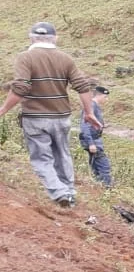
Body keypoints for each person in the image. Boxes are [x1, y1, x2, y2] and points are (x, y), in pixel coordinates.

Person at [0, 22, 99, 207]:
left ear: (31, 38)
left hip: (35, 117)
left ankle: (59, 192)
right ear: (55, 38)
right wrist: (89, 113)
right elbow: (83, 86)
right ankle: (69, 193)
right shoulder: (65, 59)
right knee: (62, 154)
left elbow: (21, 87)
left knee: (41, 158)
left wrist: (3, 109)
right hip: (61, 117)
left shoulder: (25, 57)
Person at [78, 85, 113, 188]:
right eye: (105, 97)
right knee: (104, 165)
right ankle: (107, 189)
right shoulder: (91, 106)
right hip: (93, 140)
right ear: (100, 96)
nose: (107, 100)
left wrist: (101, 125)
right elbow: (84, 125)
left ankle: (98, 187)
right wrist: (91, 143)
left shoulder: (94, 106)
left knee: (95, 165)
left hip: (95, 138)